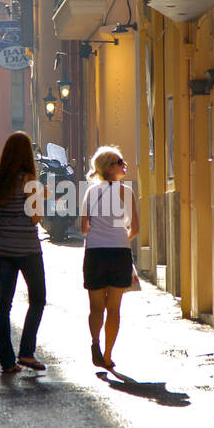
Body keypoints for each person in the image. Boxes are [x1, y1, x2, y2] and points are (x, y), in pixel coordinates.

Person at [0, 131, 47, 373]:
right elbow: (36, 218)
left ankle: (7, 361)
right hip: (27, 249)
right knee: (38, 299)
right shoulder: (29, 179)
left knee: (4, 303)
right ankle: (26, 352)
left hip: (2, 247)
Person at [80, 145, 139, 370]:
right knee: (114, 308)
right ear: (107, 167)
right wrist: (123, 238)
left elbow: (83, 227)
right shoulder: (127, 192)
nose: (124, 164)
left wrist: (98, 231)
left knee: (96, 307)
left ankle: (95, 343)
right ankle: (107, 355)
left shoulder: (90, 192)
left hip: (95, 252)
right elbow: (135, 228)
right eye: (119, 161)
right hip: (119, 253)